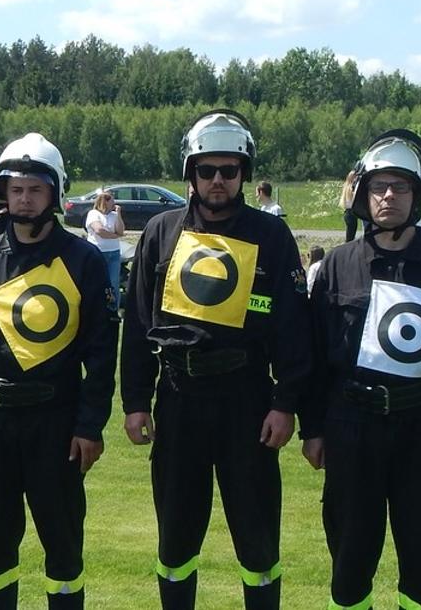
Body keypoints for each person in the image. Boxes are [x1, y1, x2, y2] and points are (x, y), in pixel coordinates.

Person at [121, 109, 309, 610]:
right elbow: (136, 325)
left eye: (230, 170)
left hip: (247, 400)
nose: (218, 180)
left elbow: (294, 329)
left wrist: (285, 403)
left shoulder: (271, 236)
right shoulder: (161, 232)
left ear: (244, 173)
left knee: (257, 536)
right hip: (178, 399)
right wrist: (135, 401)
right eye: (207, 170)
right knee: (176, 537)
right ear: (192, 172)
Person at [300, 130, 421, 610]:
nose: (388, 196)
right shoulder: (337, 266)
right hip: (351, 427)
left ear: (416, 195)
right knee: (350, 565)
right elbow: (315, 357)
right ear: (363, 194)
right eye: (379, 186)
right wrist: (313, 429)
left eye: (400, 187)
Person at [0, 134, 116, 610]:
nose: (24, 199)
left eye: (35, 189)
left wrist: (89, 425)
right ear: (1, 192)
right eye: (15, 189)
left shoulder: (83, 260)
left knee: (63, 546)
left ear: (55, 193)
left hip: (56, 423)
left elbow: (101, 353)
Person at [83, 190, 125, 300]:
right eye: (112, 201)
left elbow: (121, 231)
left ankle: (113, 306)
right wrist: (115, 236)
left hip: (114, 252)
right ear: (105, 201)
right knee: (97, 281)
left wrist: (118, 214)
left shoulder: (114, 215)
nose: (114, 203)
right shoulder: (93, 214)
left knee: (113, 282)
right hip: (98, 252)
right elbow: (99, 231)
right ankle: (96, 304)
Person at [339, 169, 360, 243]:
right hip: (351, 213)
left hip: (347, 212)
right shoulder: (351, 187)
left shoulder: (346, 186)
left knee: (350, 234)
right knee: (351, 235)